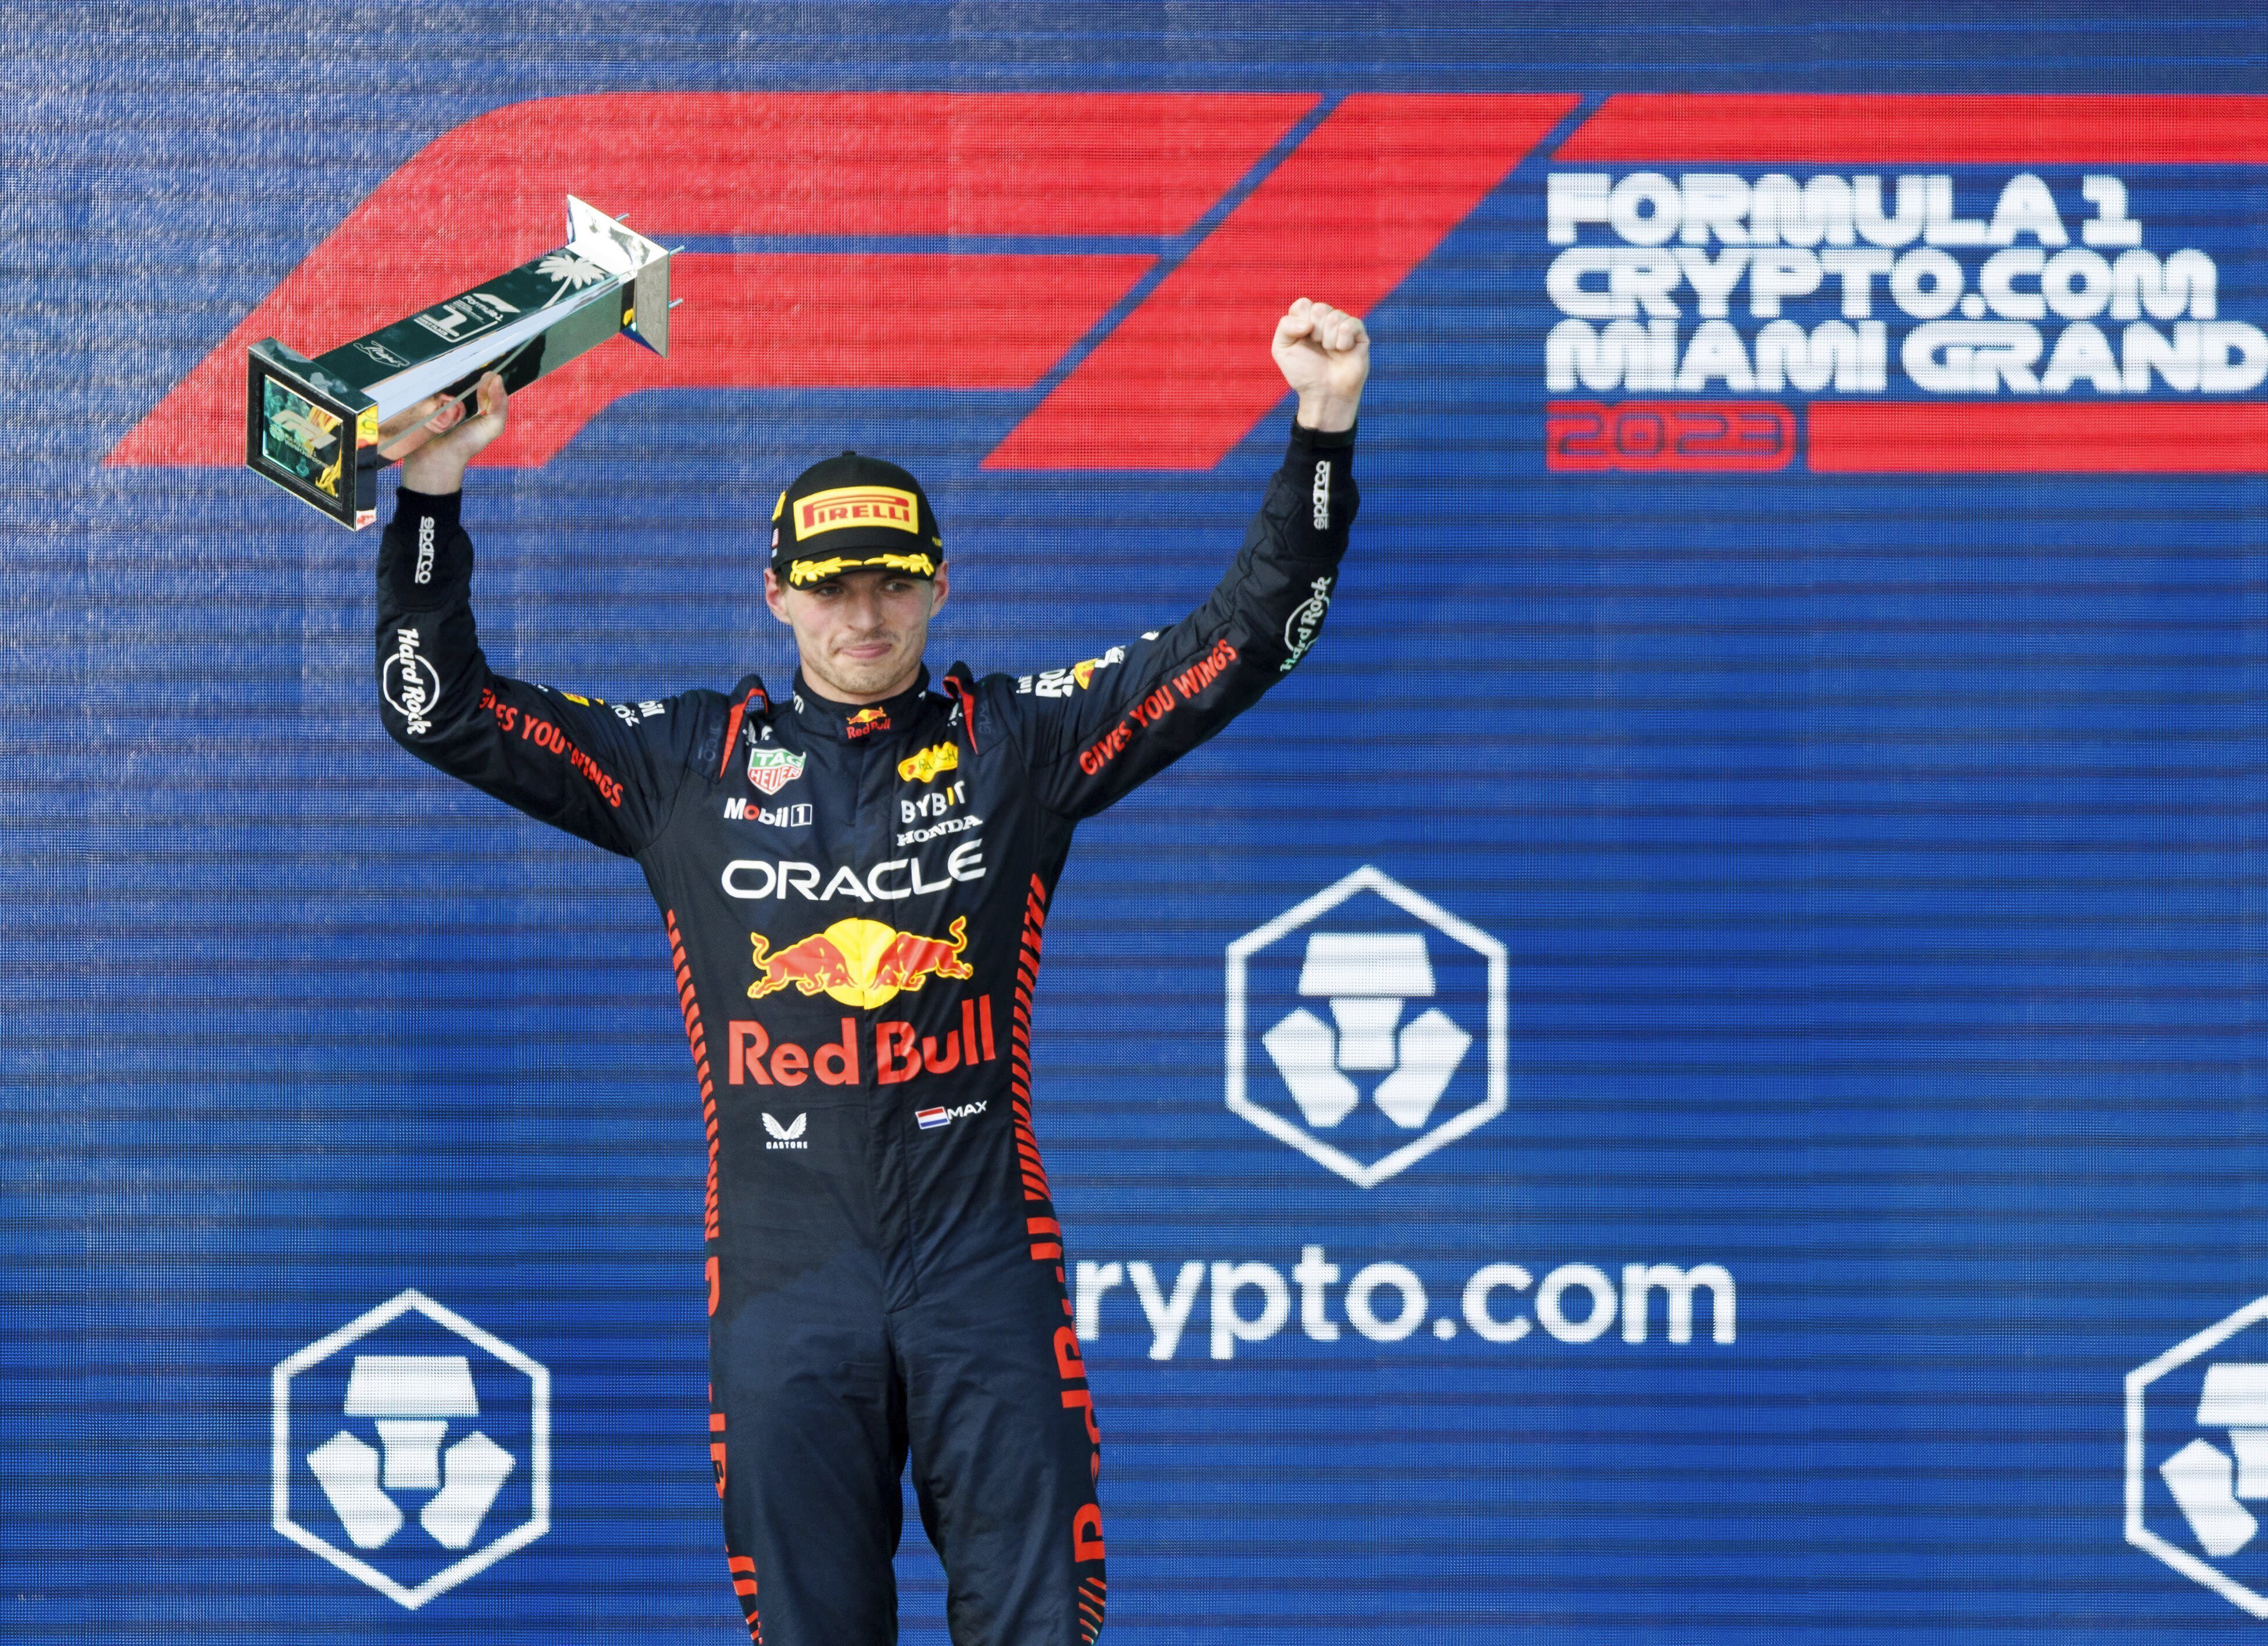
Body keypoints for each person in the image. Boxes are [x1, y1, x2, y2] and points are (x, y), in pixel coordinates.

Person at [373, 298, 1370, 1645]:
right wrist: (431, 495)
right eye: (832, 584)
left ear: (940, 585)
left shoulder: (1015, 744)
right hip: (784, 1288)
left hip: (984, 1273)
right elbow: (438, 708)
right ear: (775, 591)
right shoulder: (685, 764)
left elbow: (1250, 637)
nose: (864, 612)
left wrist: (1322, 426)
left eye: (893, 581)